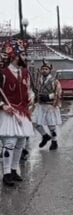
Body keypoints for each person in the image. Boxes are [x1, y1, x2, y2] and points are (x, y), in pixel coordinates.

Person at [0, 39, 35, 186]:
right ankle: (6, 172)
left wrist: (32, 96)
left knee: (21, 142)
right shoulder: (3, 73)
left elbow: (29, 90)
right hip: (8, 111)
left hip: (22, 111)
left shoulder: (25, 73)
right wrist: (2, 105)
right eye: (22, 55)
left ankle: (14, 170)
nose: (25, 58)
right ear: (14, 56)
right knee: (10, 142)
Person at [32, 59, 62, 150]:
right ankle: (44, 136)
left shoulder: (54, 81)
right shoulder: (39, 80)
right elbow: (35, 90)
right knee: (34, 122)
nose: (44, 70)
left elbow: (58, 92)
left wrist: (49, 97)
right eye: (43, 69)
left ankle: (54, 141)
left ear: (49, 70)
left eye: (46, 69)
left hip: (50, 106)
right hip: (40, 105)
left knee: (51, 125)